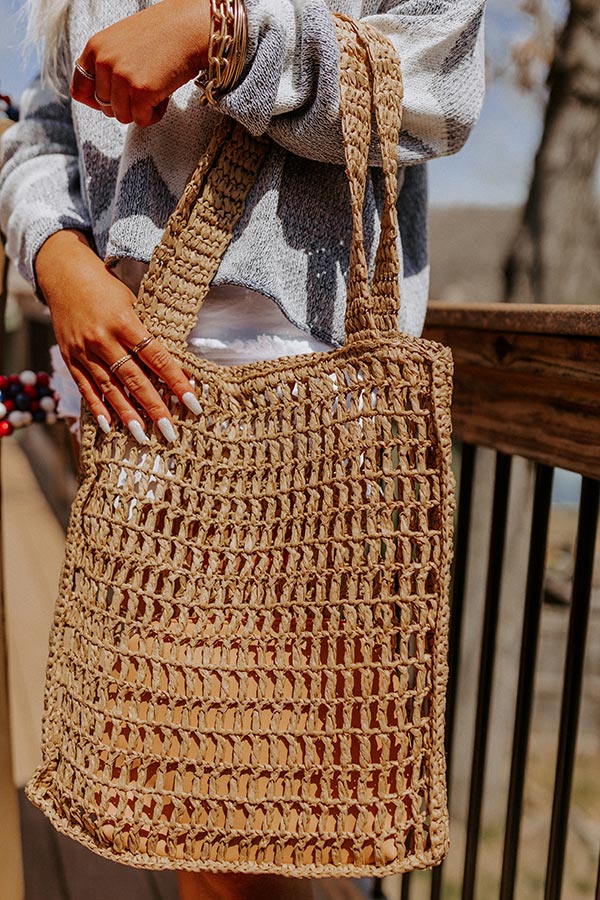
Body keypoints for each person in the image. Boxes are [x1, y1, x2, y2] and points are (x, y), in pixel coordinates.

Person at [0, 1, 486, 897]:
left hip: (312, 419)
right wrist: (58, 259)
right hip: (133, 399)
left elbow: (437, 86)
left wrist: (224, 33)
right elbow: (42, 131)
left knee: (260, 837)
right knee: (188, 817)